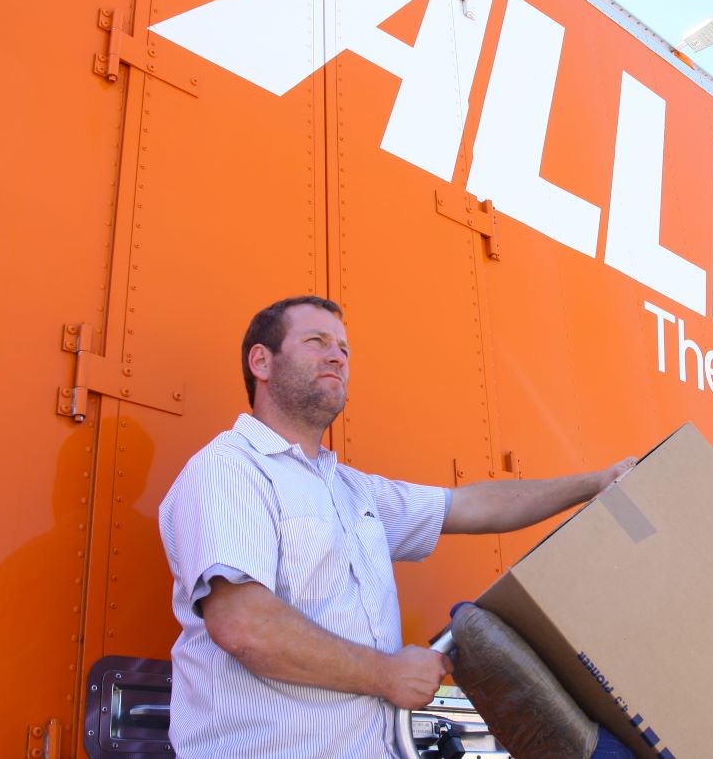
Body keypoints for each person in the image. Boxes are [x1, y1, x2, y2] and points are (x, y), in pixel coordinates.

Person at [159, 295, 636, 758]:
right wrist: (386, 674)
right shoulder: (230, 468)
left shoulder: (353, 491)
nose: (337, 356)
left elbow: (469, 506)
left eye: (344, 349)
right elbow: (244, 625)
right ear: (261, 362)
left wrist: (596, 483)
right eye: (316, 341)